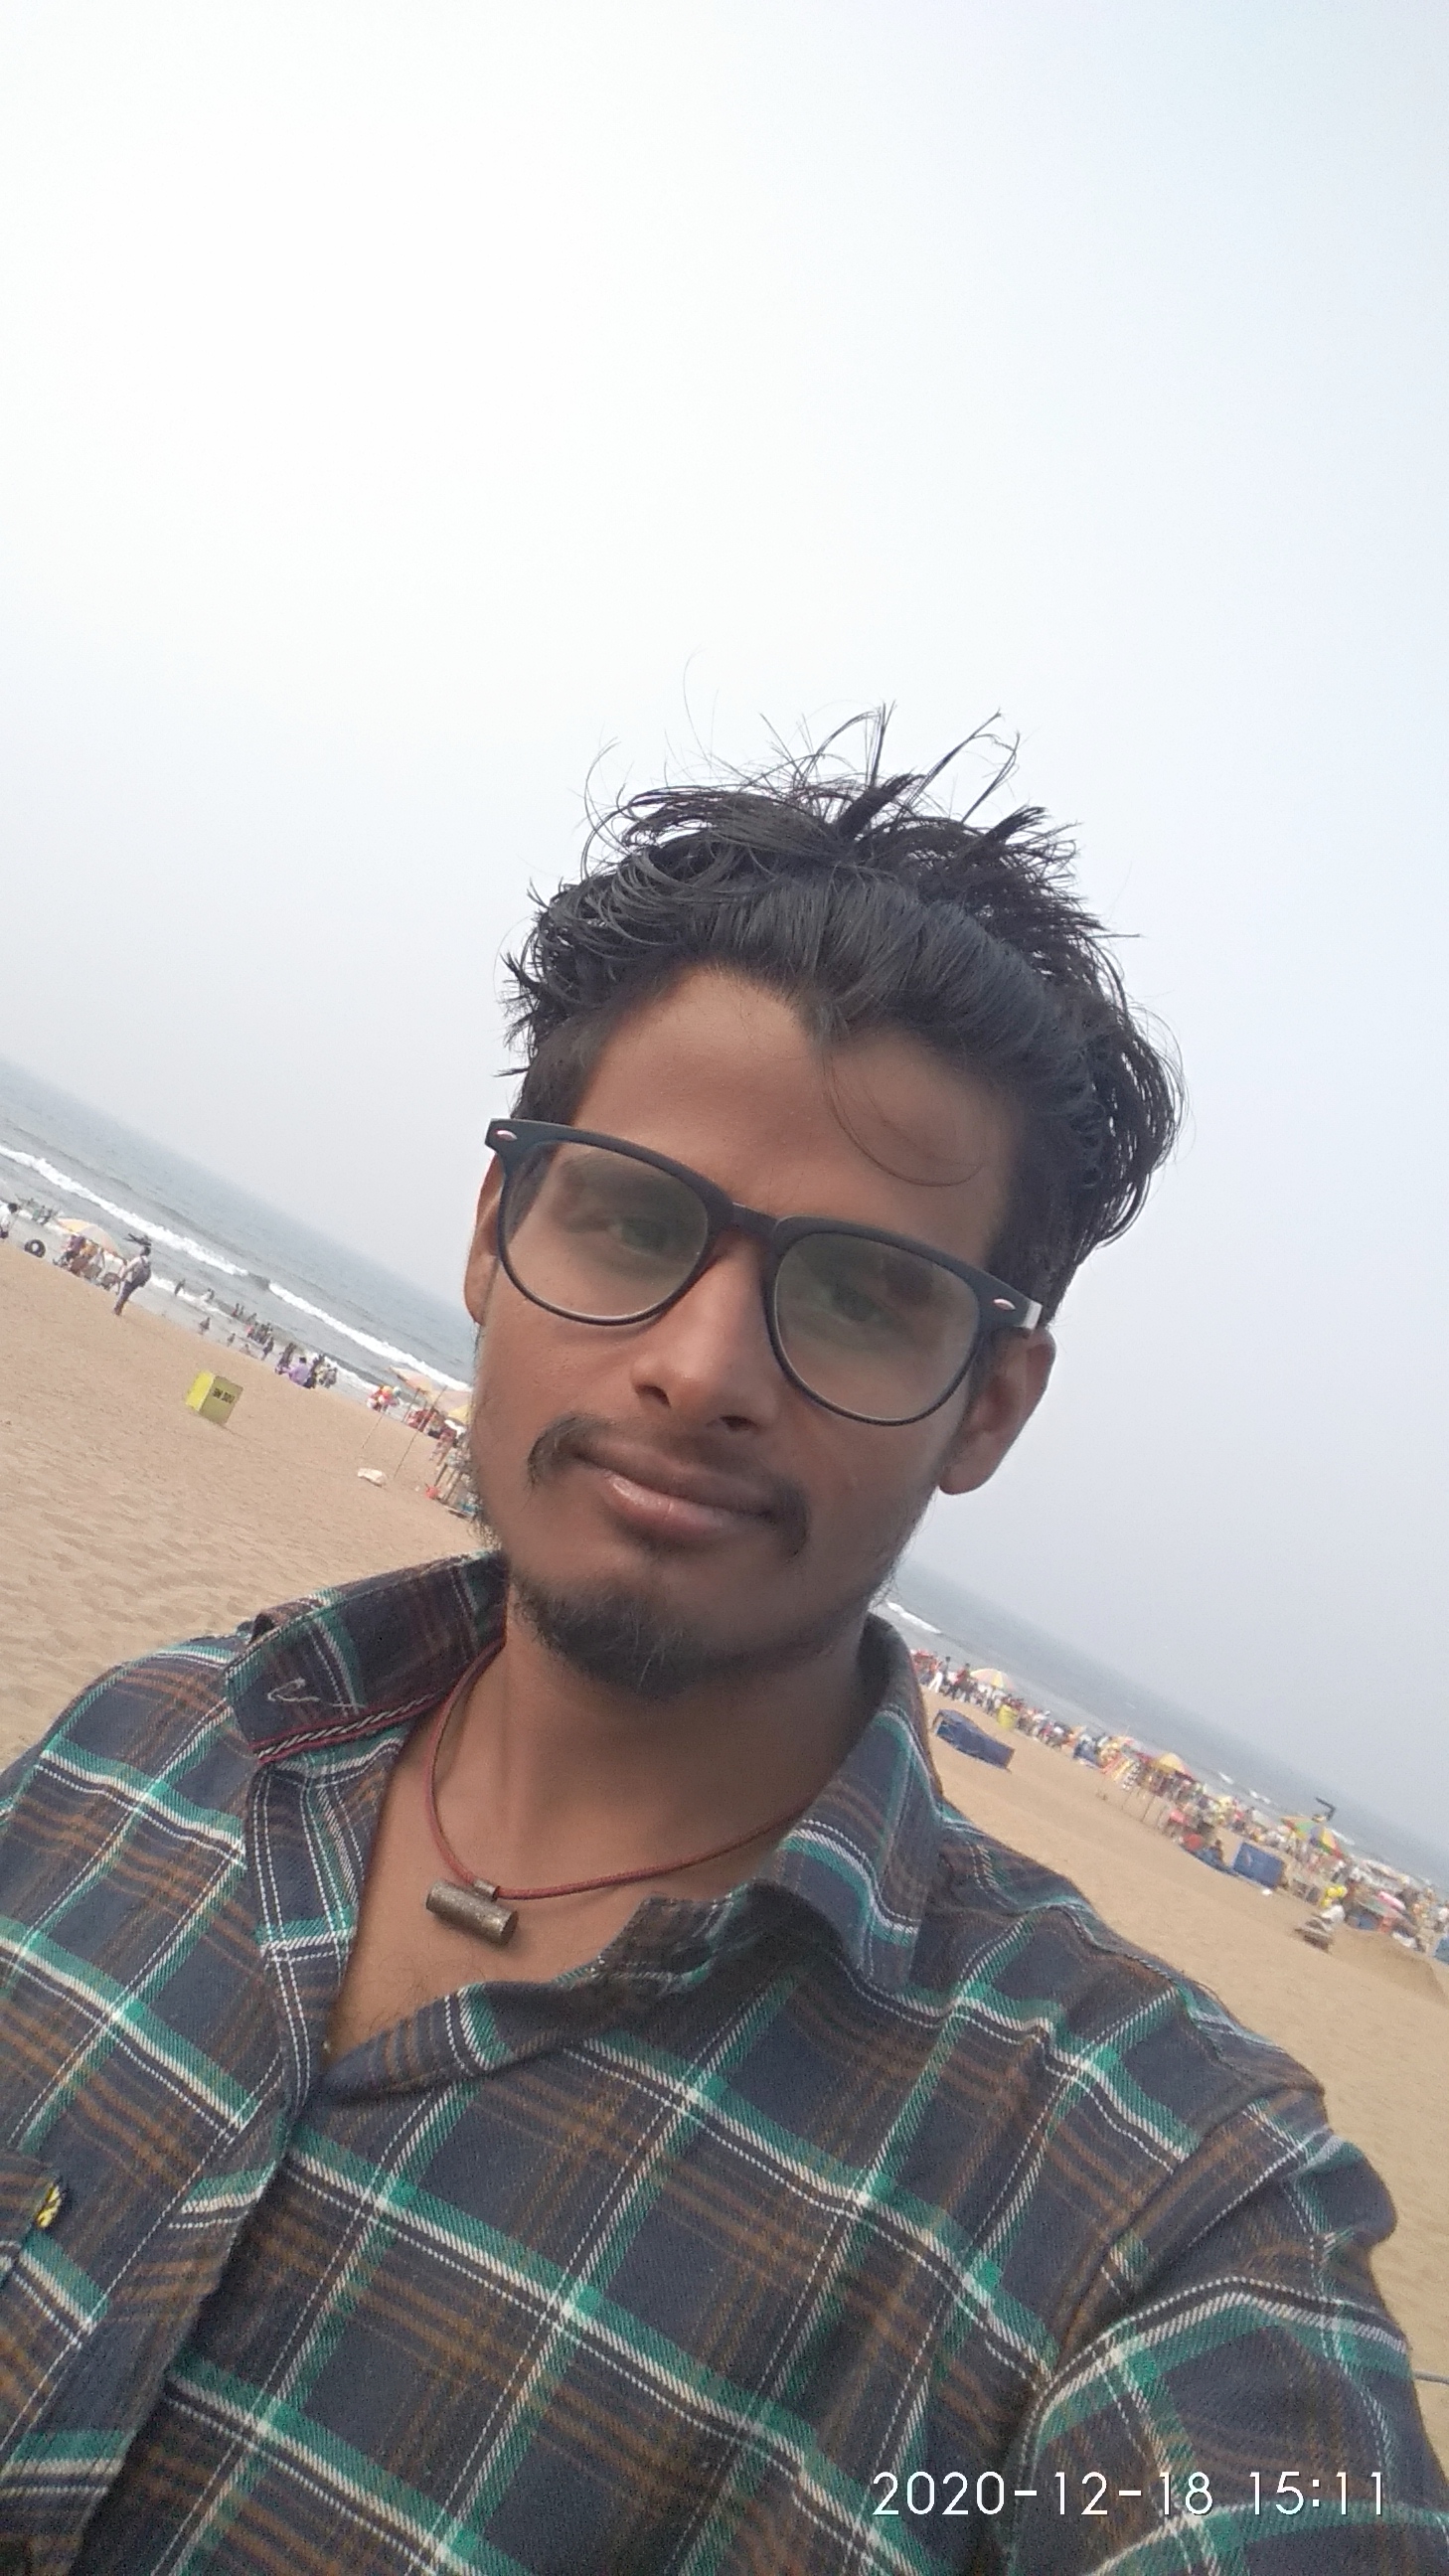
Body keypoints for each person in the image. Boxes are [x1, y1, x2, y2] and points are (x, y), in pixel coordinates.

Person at [1, 729, 1445, 2573]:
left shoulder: (1143, 2201)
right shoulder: (135, 1752)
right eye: (629, 1217)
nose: (698, 1369)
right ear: (492, 1233)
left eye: (860, 1293)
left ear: (987, 1406)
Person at [111, 1238, 151, 1316]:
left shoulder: (138, 1259)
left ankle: (117, 1309)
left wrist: (122, 1276)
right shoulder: (147, 1262)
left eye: (141, 1249)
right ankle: (120, 1309)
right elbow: (149, 1274)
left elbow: (129, 1268)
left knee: (124, 1293)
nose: (140, 1250)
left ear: (143, 1251)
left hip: (131, 1279)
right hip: (138, 1281)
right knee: (127, 1294)